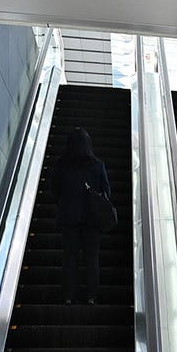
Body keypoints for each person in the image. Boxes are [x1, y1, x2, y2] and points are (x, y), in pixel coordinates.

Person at [53, 126, 111, 304]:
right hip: (92, 220)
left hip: (68, 219)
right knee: (92, 258)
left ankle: (68, 296)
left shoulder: (61, 165)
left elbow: (54, 191)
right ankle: (91, 296)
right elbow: (107, 191)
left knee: (69, 257)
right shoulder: (97, 165)